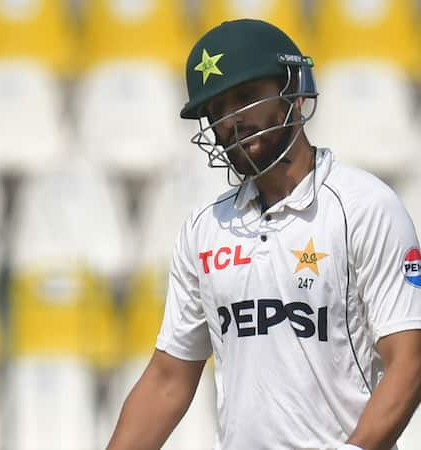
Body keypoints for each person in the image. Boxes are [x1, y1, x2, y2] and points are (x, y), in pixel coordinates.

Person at [107, 19, 421, 450]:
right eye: (217, 111)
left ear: (292, 91)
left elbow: (409, 361)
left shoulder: (365, 207)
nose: (231, 122)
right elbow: (167, 380)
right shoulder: (206, 229)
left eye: (247, 98)